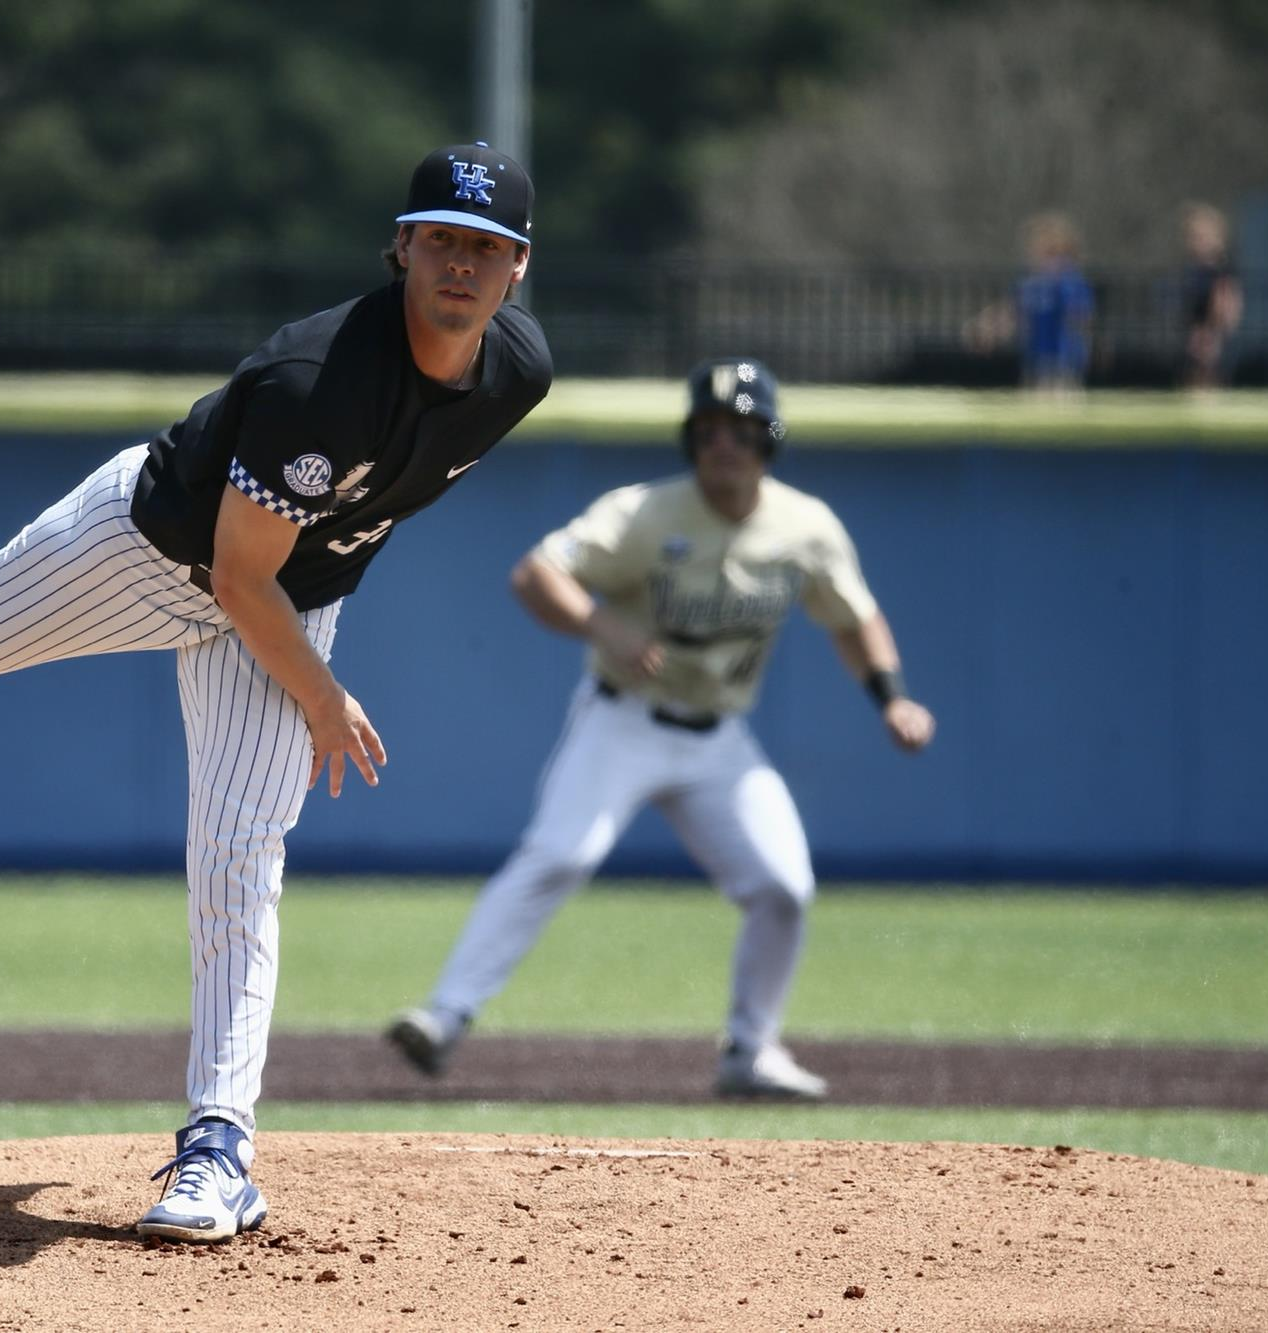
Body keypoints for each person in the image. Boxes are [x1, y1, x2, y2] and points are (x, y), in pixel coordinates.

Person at [0, 143, 551, 1241]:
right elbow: (234, 574)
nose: (461, 263)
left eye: (486, 247)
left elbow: (307, 548)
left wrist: (306, 660)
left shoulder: (518, 372)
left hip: (285, 595)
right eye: (441, 239)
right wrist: (319, 695)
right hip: (154, 546)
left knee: (237, 855)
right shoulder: (318, 381)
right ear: (401, 246)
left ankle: (216, 1149)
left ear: (515, 270)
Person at [386, 357, 934, 1101]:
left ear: (768, 439)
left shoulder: (805, 526)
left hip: (720, 740)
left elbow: (854, 614)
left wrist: (891, 698)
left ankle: (751, 1049)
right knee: (560, 851)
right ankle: (444, 1016)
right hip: (624, 719)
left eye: (740, 430)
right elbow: (535, 573)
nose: (723, 445)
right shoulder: (646, 513)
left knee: (784, 887)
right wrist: (598, 622)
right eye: (708, 430)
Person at [1014, 212, 1094, 393]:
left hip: (1065, 358)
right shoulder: (1030, 283)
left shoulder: (1071, 283)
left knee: (1062, 394)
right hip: (1037, 356)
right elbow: (1016, 311)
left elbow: (1083, 318)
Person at [1178, 202, 1242, 391]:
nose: (1194, 242)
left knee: (1208, 381)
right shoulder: (1192, 272)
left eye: (1200, 237)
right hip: (1193, 336)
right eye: (1191, 236)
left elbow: (1228, 308)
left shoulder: (1220, 273)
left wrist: (1211, 333)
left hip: (1209, 338)